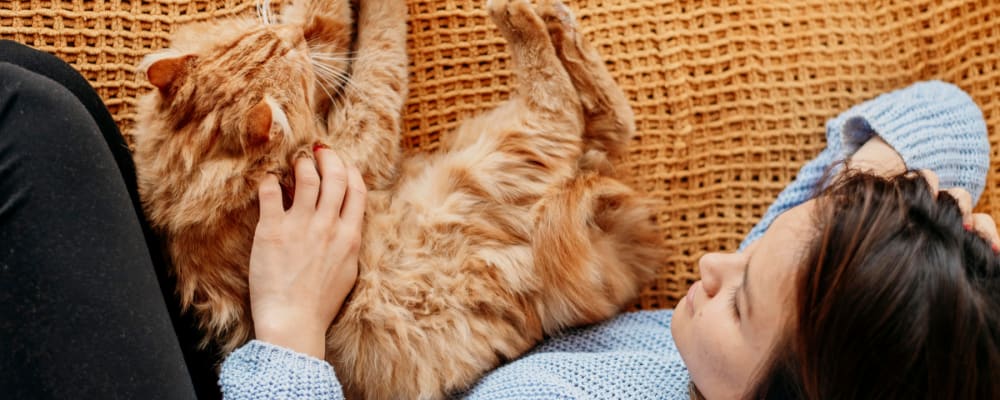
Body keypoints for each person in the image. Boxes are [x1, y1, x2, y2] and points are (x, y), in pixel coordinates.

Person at [1, 39, 997, 399]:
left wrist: (293, 323)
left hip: (290, 371)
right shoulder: (767, 337)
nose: (709, 262)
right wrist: (916, 236)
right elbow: (951, 121)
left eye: (738, 301)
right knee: (50, 99)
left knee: (31, 127)